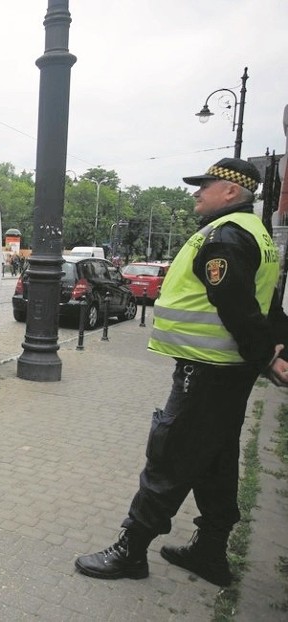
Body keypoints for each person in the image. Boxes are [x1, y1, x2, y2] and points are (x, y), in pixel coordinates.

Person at [74, 158, 288, 587]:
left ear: (231, 191)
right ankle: (210, 552)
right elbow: (271, 301)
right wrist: (271, 352)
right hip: (228, 372)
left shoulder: (225, 236)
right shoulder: (258, 235)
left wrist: (267, 356)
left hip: (206, 372)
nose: (196, 192)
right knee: (217, 461)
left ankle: (130, 551)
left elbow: (239, 307)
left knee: (169, 458)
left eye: (205, 185)